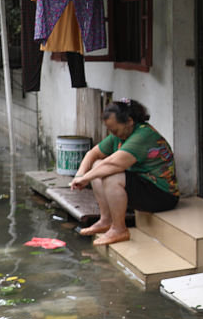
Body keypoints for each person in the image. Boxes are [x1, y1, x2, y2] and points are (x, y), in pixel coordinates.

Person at [70, 98, 179, 246]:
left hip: (163, 196)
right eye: (110, 130)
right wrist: (80, 175)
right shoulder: (119, 135)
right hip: (143, 187)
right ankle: (106, 220)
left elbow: (113, 164)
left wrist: (86, 178)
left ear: (129, 121)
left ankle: (119, 229)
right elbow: (92, 154)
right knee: (97, 165)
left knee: (111, 175)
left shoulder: (143, 135)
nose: (113, 133)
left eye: (115, 129)